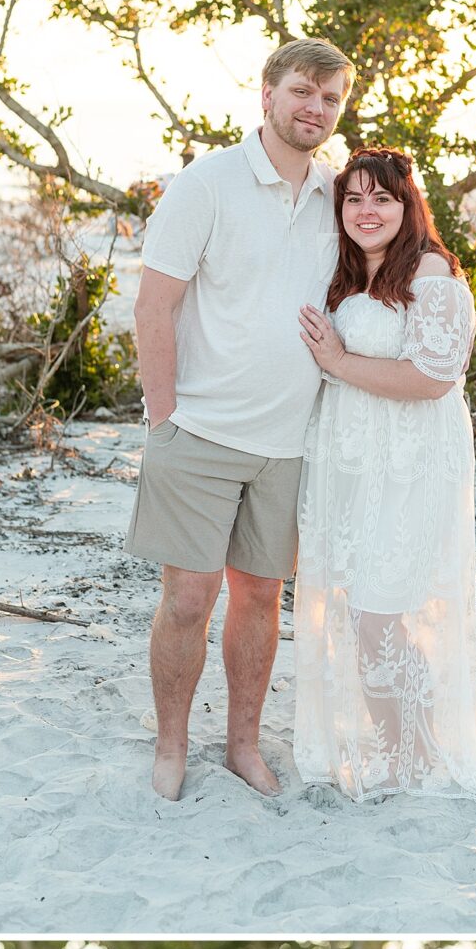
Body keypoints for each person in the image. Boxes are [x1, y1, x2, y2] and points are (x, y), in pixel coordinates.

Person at [130, 40, 354, 801]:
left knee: (260, 598)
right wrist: (164, 420)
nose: (314, 109)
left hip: (291, 443)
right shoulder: (207, 184)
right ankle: (170, 747)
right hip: (200, 433)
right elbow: (154, 305)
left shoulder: (338, 195)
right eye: (301, 92)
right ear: (266, 94)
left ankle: (243, 745)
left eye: (329, 99)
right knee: (189, 598)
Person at [293, 147, 476, 802]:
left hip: (409, 465)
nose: (366, 210)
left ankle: (420, 750)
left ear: (408, 206)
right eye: (353, 198)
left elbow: (432, 379)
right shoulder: (348, 273)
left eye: (382, 198)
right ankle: (395, 744)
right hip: (356, 465)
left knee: (384, 612)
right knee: (361, 610)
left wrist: (337, 361)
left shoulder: (429, 270)